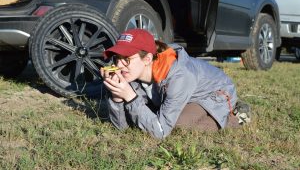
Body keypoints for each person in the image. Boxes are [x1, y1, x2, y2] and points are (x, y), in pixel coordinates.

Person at [101, 29, 250, 139]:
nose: (119, 66)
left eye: (126, 59)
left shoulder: (179, 76)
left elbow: (160, 132)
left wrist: (131, 98)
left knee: (178, 126)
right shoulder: (132, 75)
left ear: (147, 59)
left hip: (216, 92)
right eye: (116, 58)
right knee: (152, 117)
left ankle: (235, 116)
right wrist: (117, 97)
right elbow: (123, 127)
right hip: (182, 93)